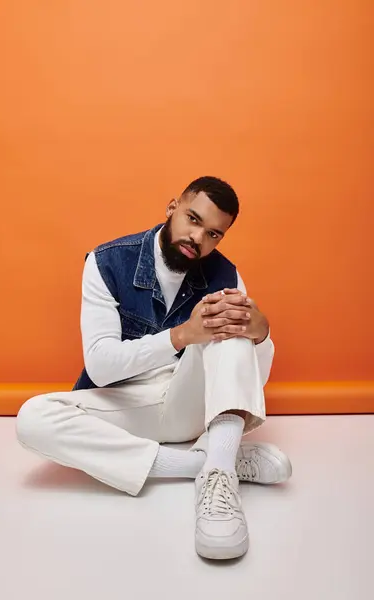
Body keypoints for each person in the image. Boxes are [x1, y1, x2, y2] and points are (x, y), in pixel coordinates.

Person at [16, 176, 292, 560]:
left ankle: (218, 484)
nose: (198, 238)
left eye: (213, 233)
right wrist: (182, 335)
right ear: (171, 207)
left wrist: (261, 333)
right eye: (192, 219)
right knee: (32, 418)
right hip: (127, 404)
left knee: (229, 325)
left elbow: (245, 370)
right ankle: (212, 460)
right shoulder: (107, 262)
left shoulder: (225, 275)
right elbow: (100, 365)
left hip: (190, 403)